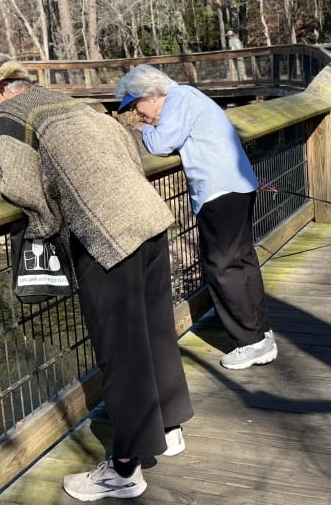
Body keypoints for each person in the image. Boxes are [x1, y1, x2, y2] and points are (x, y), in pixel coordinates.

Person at [0, 54, 193, 502]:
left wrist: (2, 168)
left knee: (122, 353)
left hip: (105, 236)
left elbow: (24, 190)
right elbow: (127, 149)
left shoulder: (12, 113)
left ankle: (123, 470)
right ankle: (170, 428)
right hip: (149, 218)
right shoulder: (71, 103)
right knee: (156, 330)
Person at [114, 64, 278, 371]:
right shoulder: (189, 98)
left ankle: (251, 342)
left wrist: (144, 131)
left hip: (219, 191)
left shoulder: (179, 99)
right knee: (240, 259)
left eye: (136, 106)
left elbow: (163, 144)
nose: (137, 115)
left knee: (223, 266)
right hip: (236, 185)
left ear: (151, 95)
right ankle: (260, 332)